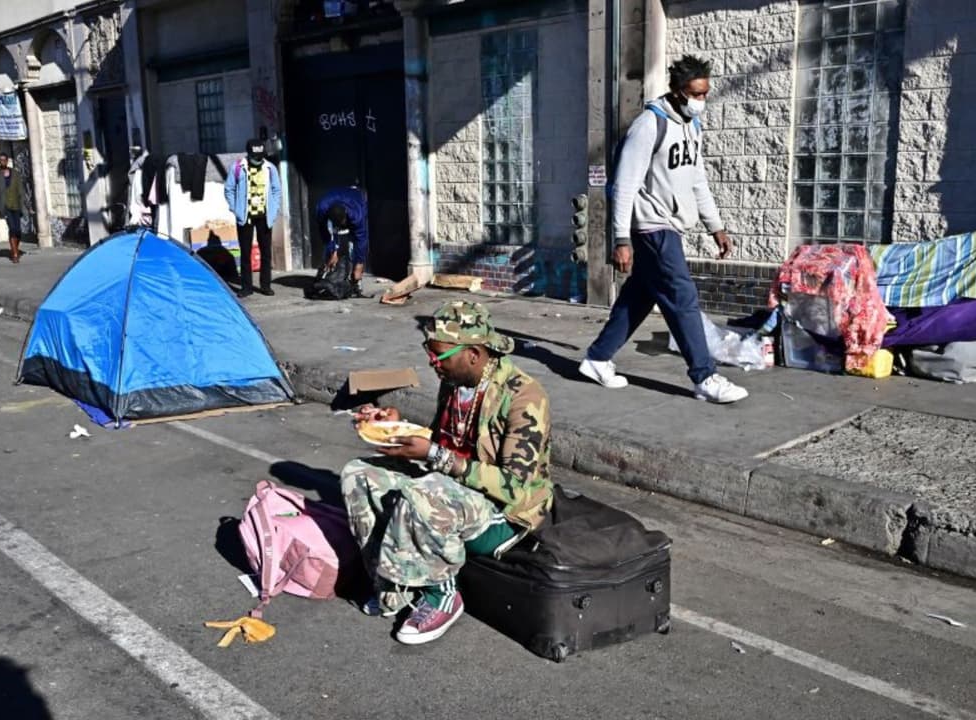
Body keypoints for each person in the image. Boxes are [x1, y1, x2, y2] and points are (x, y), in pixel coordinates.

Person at [342, 300, 553, 645]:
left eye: (439, 355)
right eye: (429, 351)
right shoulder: (455, 381)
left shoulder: (523, 397)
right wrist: (394, 425)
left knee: (421, 495)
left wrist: (436, 456)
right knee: (359, 474)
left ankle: (441, 595)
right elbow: (445, 441)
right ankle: (394, 584)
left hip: (506, 513)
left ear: (473, 354)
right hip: (453, 486)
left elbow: (514, 486)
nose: (432, 361)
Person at [579, 54, 749, 404]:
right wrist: (621, 238)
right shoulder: (648, 125)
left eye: (705, 93)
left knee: (639, 297)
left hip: (671, 226)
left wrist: (716, 226)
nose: (701, 100)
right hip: (652, 226)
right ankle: (705, 376)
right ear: (676, 91)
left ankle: (597, 359)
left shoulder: (692, 127)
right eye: (695, 94)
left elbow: (697, 181)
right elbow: (624, 186)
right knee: (682, 296)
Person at [224, 139, 282, 297]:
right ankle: (246, 287)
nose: (257, 159)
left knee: (266, 253)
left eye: (260, 156)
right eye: (255, 156)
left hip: (265, 217)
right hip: (245, 217)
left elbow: (277, 190)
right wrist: (235, 209)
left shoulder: (270, 168)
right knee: (245, 253)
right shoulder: (238, 167)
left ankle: (265, 285)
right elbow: (229, 189)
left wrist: (274, 210)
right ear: (248, 154)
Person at [315, 186, 368, 296]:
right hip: (332, 202)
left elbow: (361, 239)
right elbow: (325, 233)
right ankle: (328, 271)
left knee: (354, 241)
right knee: (330, 247)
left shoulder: (357, 214)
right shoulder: (321, 209)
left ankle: (356, 281)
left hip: (356, 198)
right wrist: (333, 251)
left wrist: (359, 264)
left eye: (342, 224)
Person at [0, 153, 25, 264]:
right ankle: (15, 254)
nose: (3, 161)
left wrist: (24, 205)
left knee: (18, 230)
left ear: (7, 160)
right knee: (12, 228)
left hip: (16, 205)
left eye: (5, 160)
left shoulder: (15, 173)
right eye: (1, 160)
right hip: (4, 206)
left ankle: (15, 248)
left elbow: (20, 190)